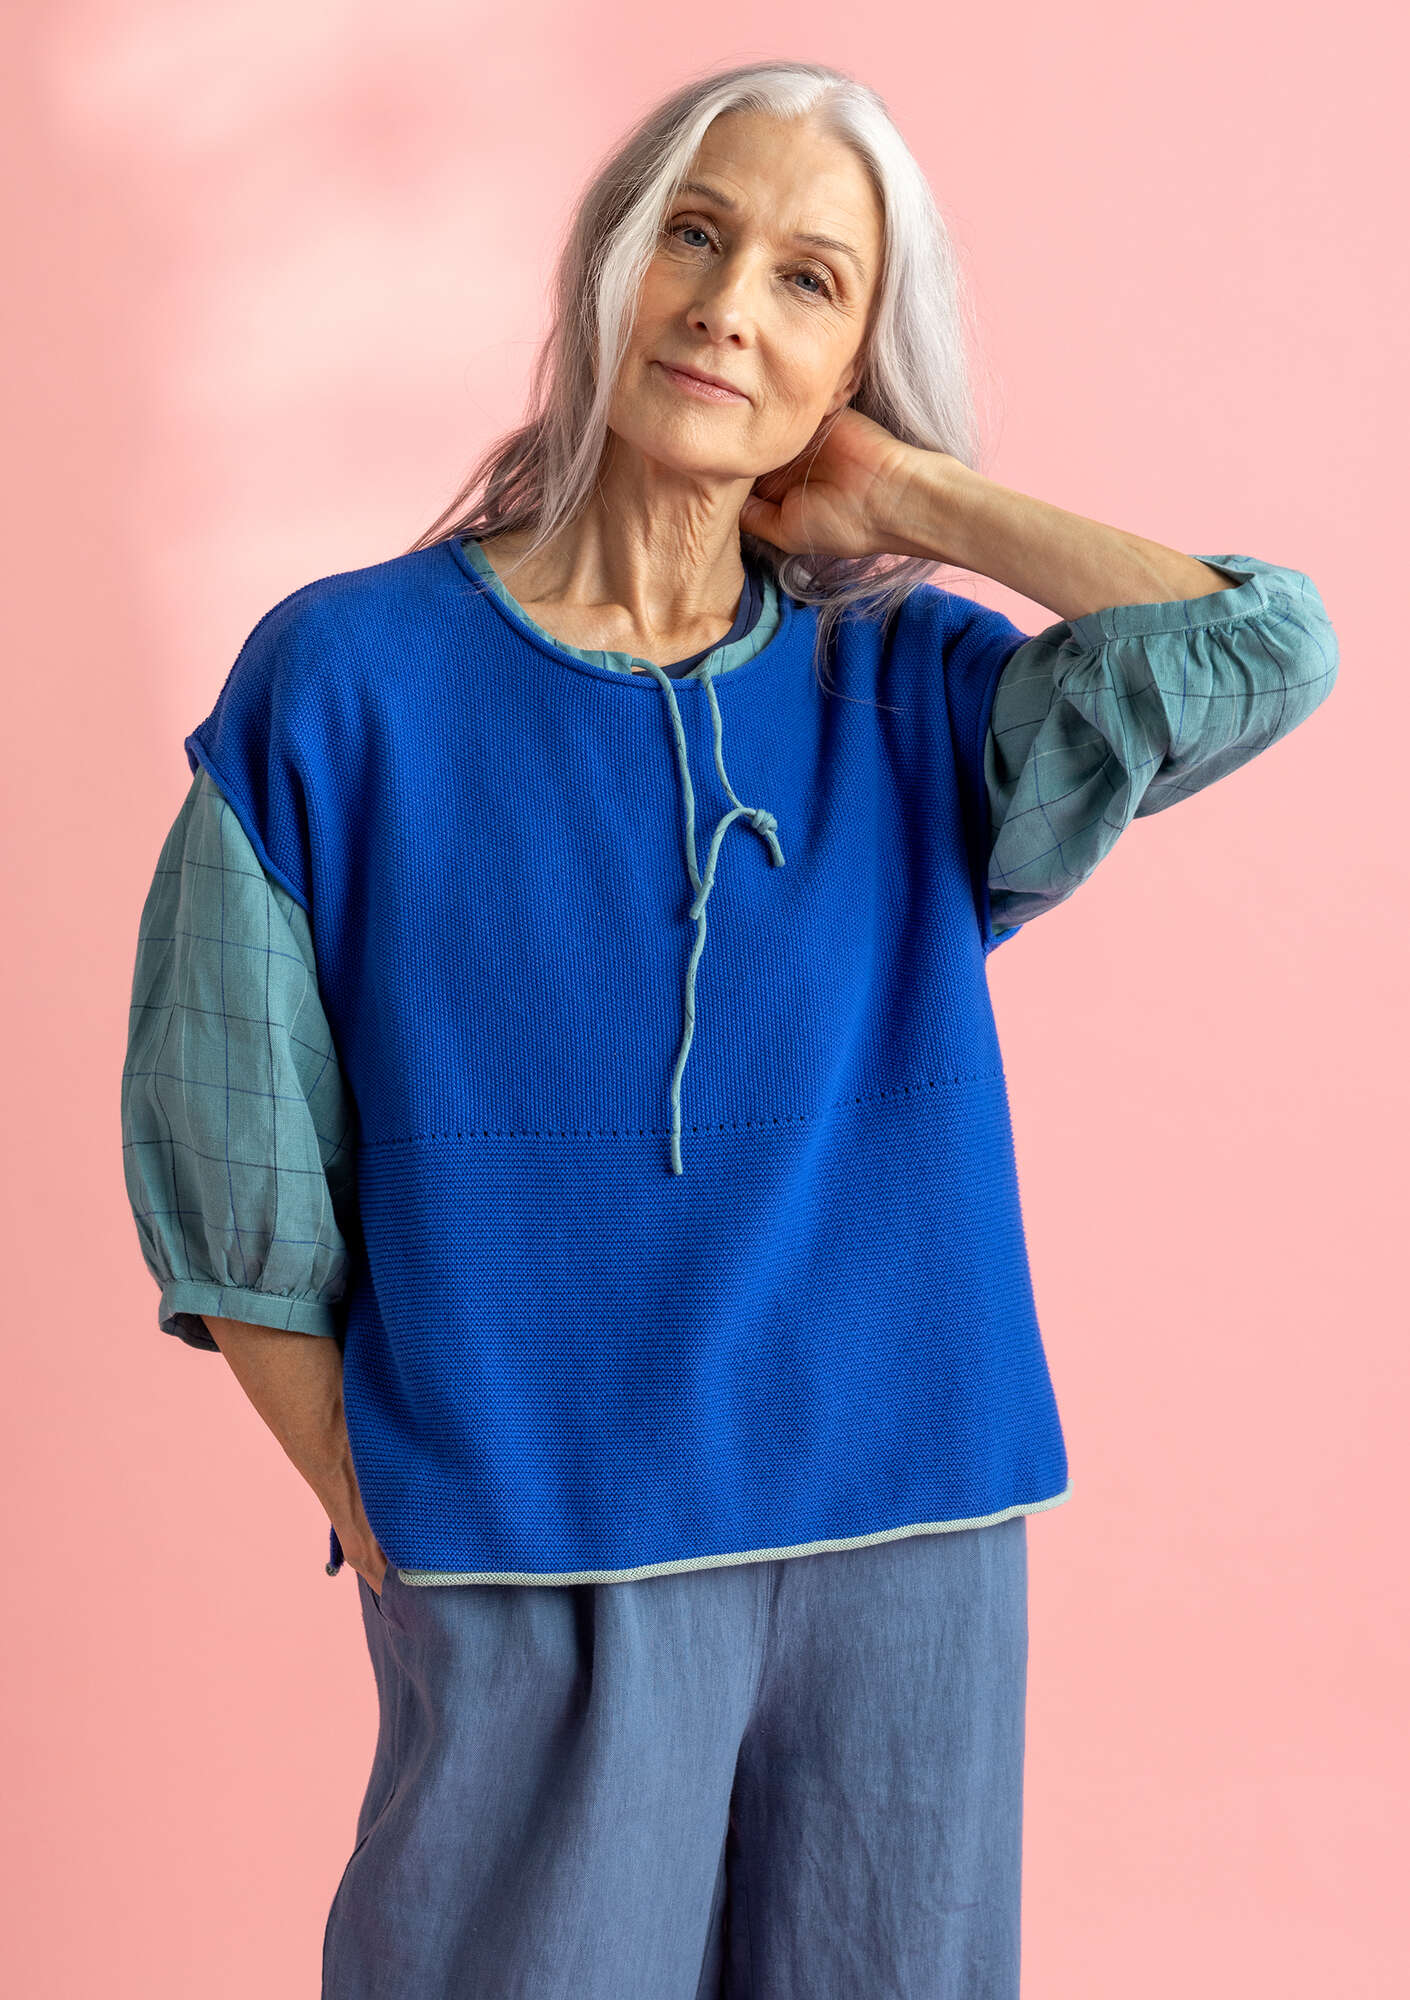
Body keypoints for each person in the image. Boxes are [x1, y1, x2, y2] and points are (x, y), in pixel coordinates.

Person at [120, 59, 1338, 2000]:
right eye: (693, 234)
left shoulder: (915, 683)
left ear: (856, 357)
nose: (724, 307)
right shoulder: (345, 679)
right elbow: (224, 1136)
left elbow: (1264, 653)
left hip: (911, 1523)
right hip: (542, 1534)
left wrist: (911, 495)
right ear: (611, 263)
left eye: (806, 278)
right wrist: (371, 1487)